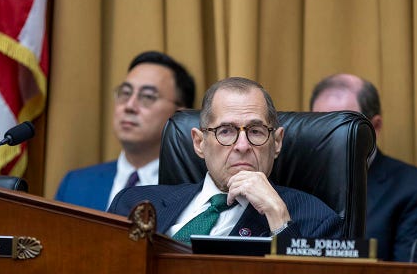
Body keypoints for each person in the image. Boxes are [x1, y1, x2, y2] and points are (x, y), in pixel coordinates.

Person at [108, 77, 342, 242]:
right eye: (226, 131)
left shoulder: (317, 221)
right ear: (200, 143)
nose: (242, 146)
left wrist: (279, 221)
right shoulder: (133, 204)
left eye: (256, 131)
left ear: (277, 142)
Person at [310, 73, 417, 262]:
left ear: (375, 127)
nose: (328, 136)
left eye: (341, 124)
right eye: (320, 124)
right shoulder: (292, 179)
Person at [55, 51, 195, 211]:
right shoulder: (75, 184)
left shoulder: (194, 192)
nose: (129, 106)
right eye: (125, 93)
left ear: (180, 115)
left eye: (147, 96)